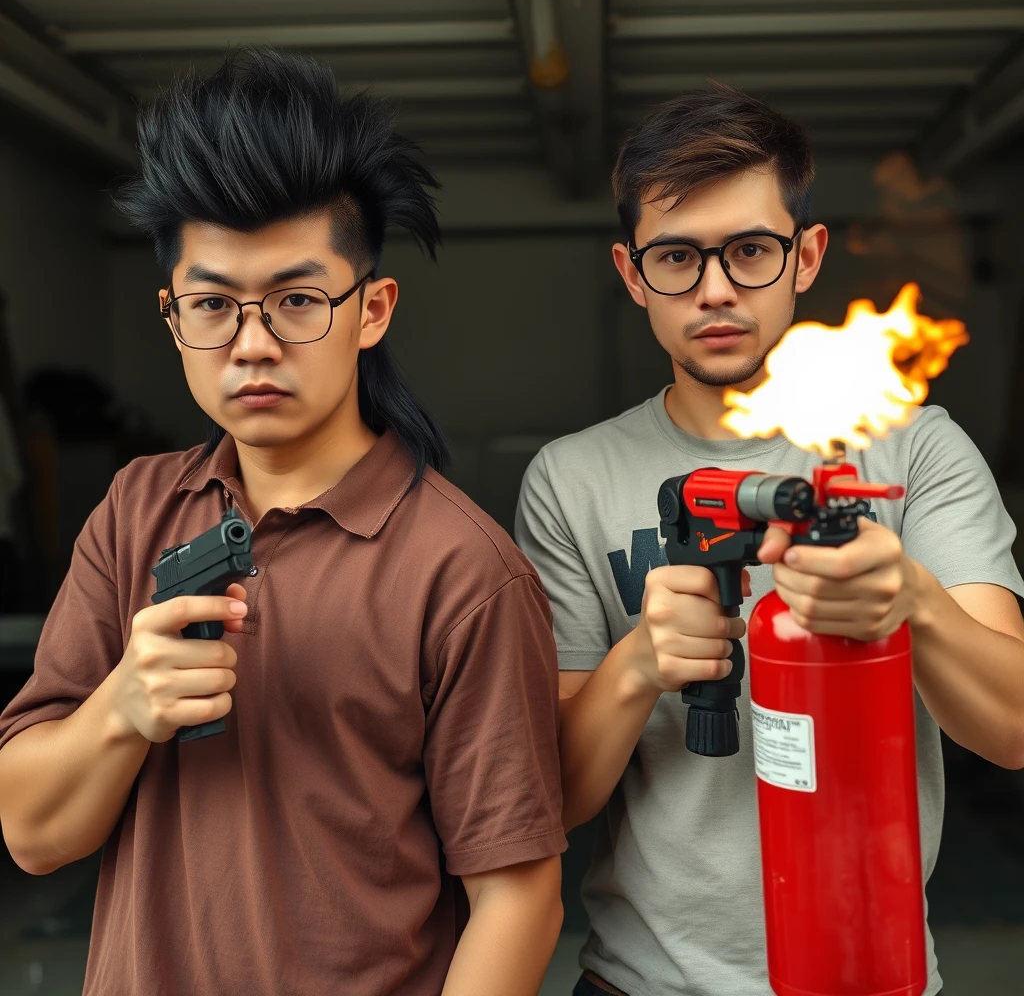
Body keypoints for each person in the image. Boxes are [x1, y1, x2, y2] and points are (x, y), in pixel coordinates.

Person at [0, 49, 565, 996]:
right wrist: (124, 707)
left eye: (298, 301)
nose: (253, 344)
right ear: (172, 316)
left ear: (372, 309)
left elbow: (520, 901)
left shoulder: (461, 570)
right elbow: (32, 835)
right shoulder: (135, 512)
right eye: (214, 305)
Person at [515, 84, 1024, 996]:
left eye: (749, 250)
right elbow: (551, 804)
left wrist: (915, 604)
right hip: (640, 982)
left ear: (806, 255)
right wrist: (639, 664)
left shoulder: (915, 446)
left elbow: (1015, 731)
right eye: (676, 256)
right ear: (631, 273)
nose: (714, 290)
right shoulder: (571, 478)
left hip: (872, 971)